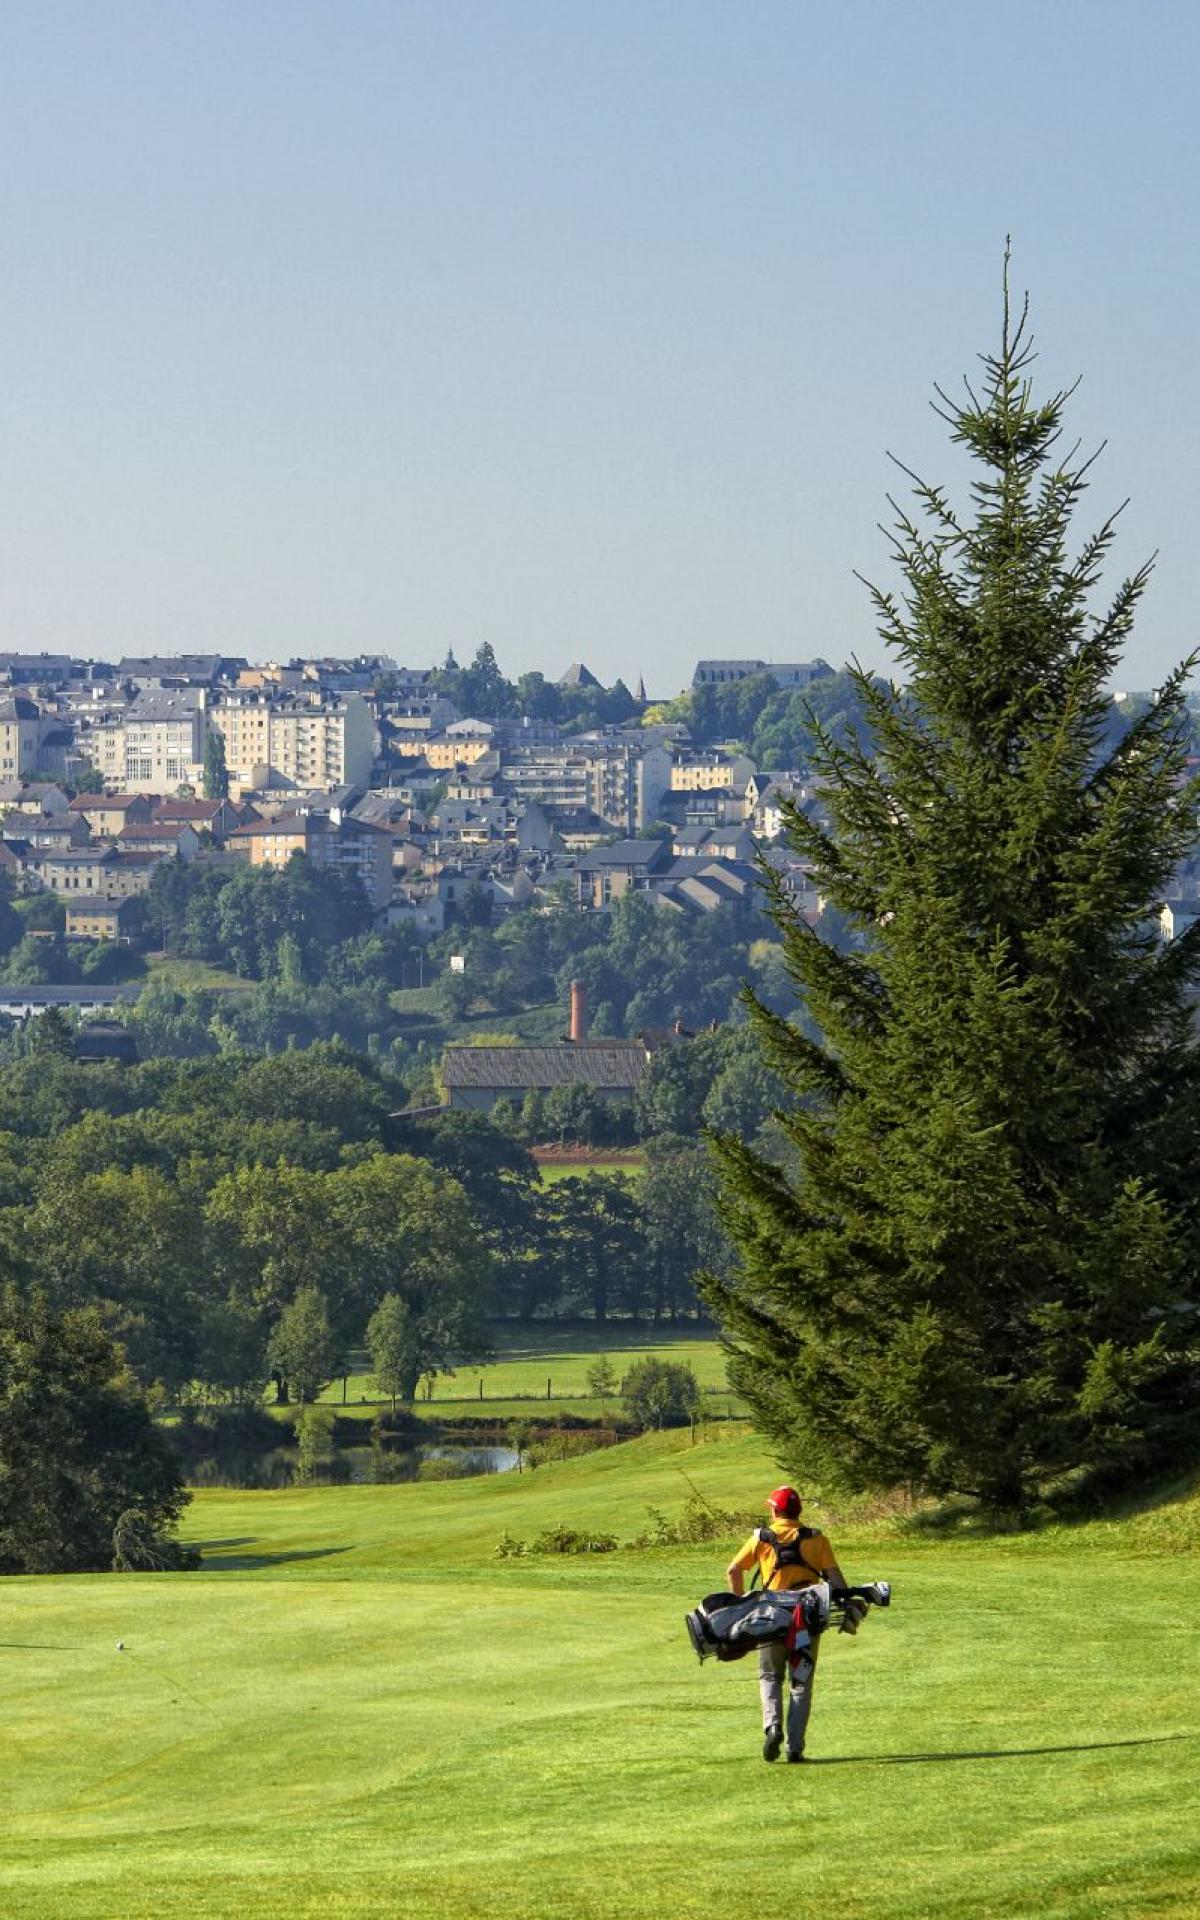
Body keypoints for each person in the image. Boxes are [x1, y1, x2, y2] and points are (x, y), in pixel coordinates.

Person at [725, 1485, 846, 1763]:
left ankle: (773, 1727)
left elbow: (733, 1570)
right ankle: (795, 1748)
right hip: (808, 1619)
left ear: (775, 1510)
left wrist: (742, 1603)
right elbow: (836, 1581)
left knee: (770, 1676)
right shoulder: (818, 1539)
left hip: (771, 1616)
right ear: (798, 1511)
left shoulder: (762, 1538)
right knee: (801, 1683)